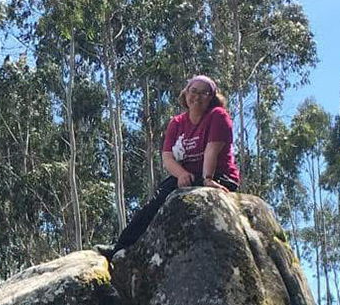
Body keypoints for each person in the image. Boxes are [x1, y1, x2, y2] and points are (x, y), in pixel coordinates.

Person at [98, 75, 240, 257]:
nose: (197, 97)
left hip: (218, 175)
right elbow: (167, 156)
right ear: (185, 93)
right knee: (154, 204)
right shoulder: (177, 123)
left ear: (212, 98)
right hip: (188, 175)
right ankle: (121, 247)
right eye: (193, 91)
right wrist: (180, 174)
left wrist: (208, 179)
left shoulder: (218, 116)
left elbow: (212, 150)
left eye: (204, 93)